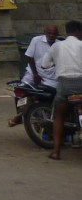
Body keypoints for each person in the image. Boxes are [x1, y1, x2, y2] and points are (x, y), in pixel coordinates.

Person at [40, 19, 82, 159]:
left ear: (67, 31)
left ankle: (56, 152)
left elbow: (44, 64)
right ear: (79, 32)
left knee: (59, 116)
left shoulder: (57, 46)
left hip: (64, 85)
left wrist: (56, 62)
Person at [8, 24, 58, 127]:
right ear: (45, 32)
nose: (51, 35)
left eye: (54, 33)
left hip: (51, 77)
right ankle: (19, 115)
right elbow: (29, 57)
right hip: (33, 73)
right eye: (49, 33)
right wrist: (35, 74)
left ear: (57, 34)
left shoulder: (60, 44)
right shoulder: (36, 40)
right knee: (20, 90)